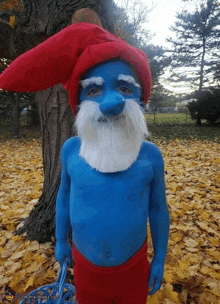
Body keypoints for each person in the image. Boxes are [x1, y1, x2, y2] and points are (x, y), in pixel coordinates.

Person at [0, 22, 170, 304]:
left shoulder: (150, 155)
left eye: (125, 87)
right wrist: (62, 240)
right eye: (93, 90)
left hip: (134, 266)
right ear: (78, 103)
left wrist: (160, 258)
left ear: (141, 99)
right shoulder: (71, 151)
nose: (111, 103)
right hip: (86, 267)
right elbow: (64, 197)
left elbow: (158, 209)